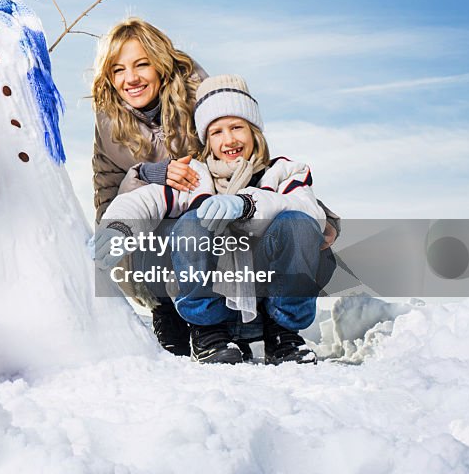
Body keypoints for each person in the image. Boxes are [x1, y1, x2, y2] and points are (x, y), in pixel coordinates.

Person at [96, 74, 334, 364]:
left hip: (267, 307)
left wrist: (247, 205)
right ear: (206, 140)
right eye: (217, 132)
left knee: (297, 223)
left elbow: (309, 212)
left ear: (255, 132)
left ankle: (283, 334)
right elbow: (144, 201)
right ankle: (207, 333)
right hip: (215, 312)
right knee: (191, 224)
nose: (229, 139)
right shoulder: (197, 176)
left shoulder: (283, 173)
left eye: (237, 127)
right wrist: (119, 227)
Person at [91, 17, 207, 356]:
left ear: (160, 65)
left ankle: (211, 321)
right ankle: (165, 311)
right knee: (142, 220)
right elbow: (107, 190)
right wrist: (147, 174)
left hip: (207, 229)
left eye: (142, 64)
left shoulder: (201, 99)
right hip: (150, 247)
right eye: (118, 70)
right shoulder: (109, 123)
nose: (131, 79)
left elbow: (245, 158)